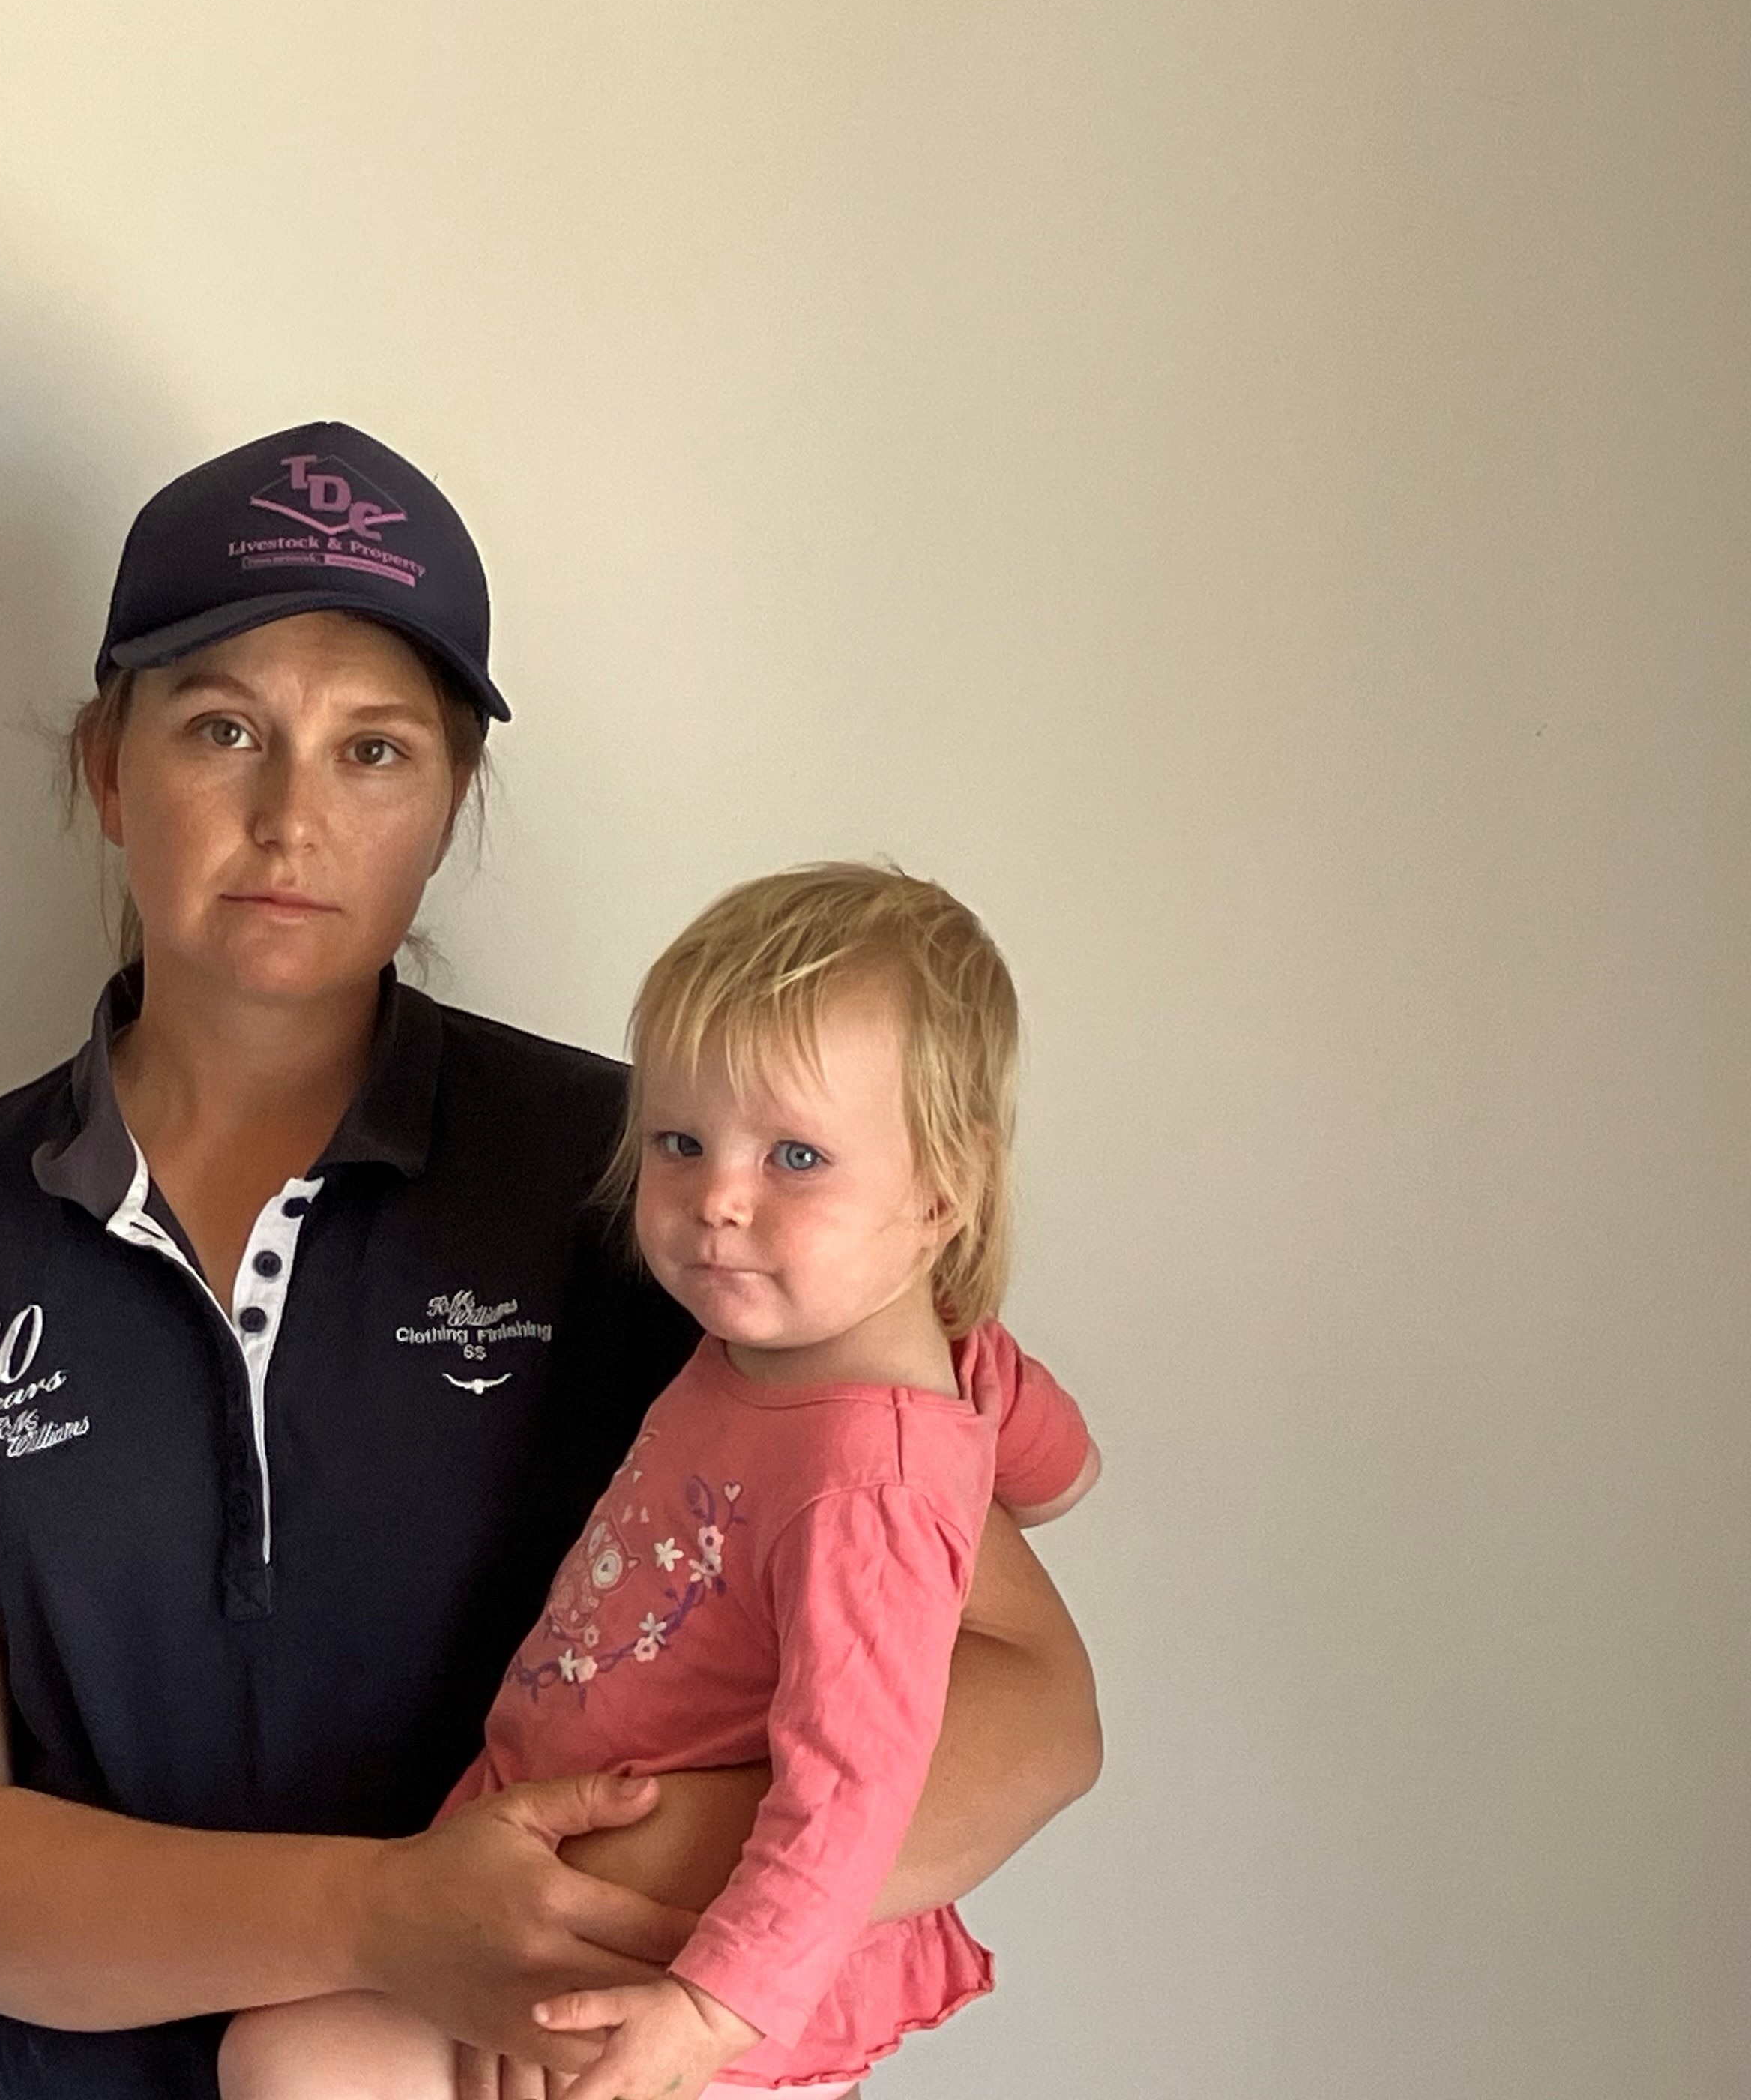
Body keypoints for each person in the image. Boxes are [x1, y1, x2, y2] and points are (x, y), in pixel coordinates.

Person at [0, 424, 1101, 2100]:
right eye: (223, 728)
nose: (288, 814)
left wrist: (584, 1904)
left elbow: (1032, 1712)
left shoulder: (661, 1182)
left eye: (376, 750)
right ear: (109, 769)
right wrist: (384, 1916)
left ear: (453, 799)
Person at [217, 866, 1100, 2099]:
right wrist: (1048, 1469)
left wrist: (703, 2009)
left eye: (795, 1154)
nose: (717, 1202)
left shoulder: (866, 1486)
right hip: (558, 1873)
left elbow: (853, 1793)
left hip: (707, 1978)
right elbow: (1040, 1435)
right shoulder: (865, 1338)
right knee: (281, 2051)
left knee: (296, 2060)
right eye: (681, 1140)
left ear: (943, 1189)